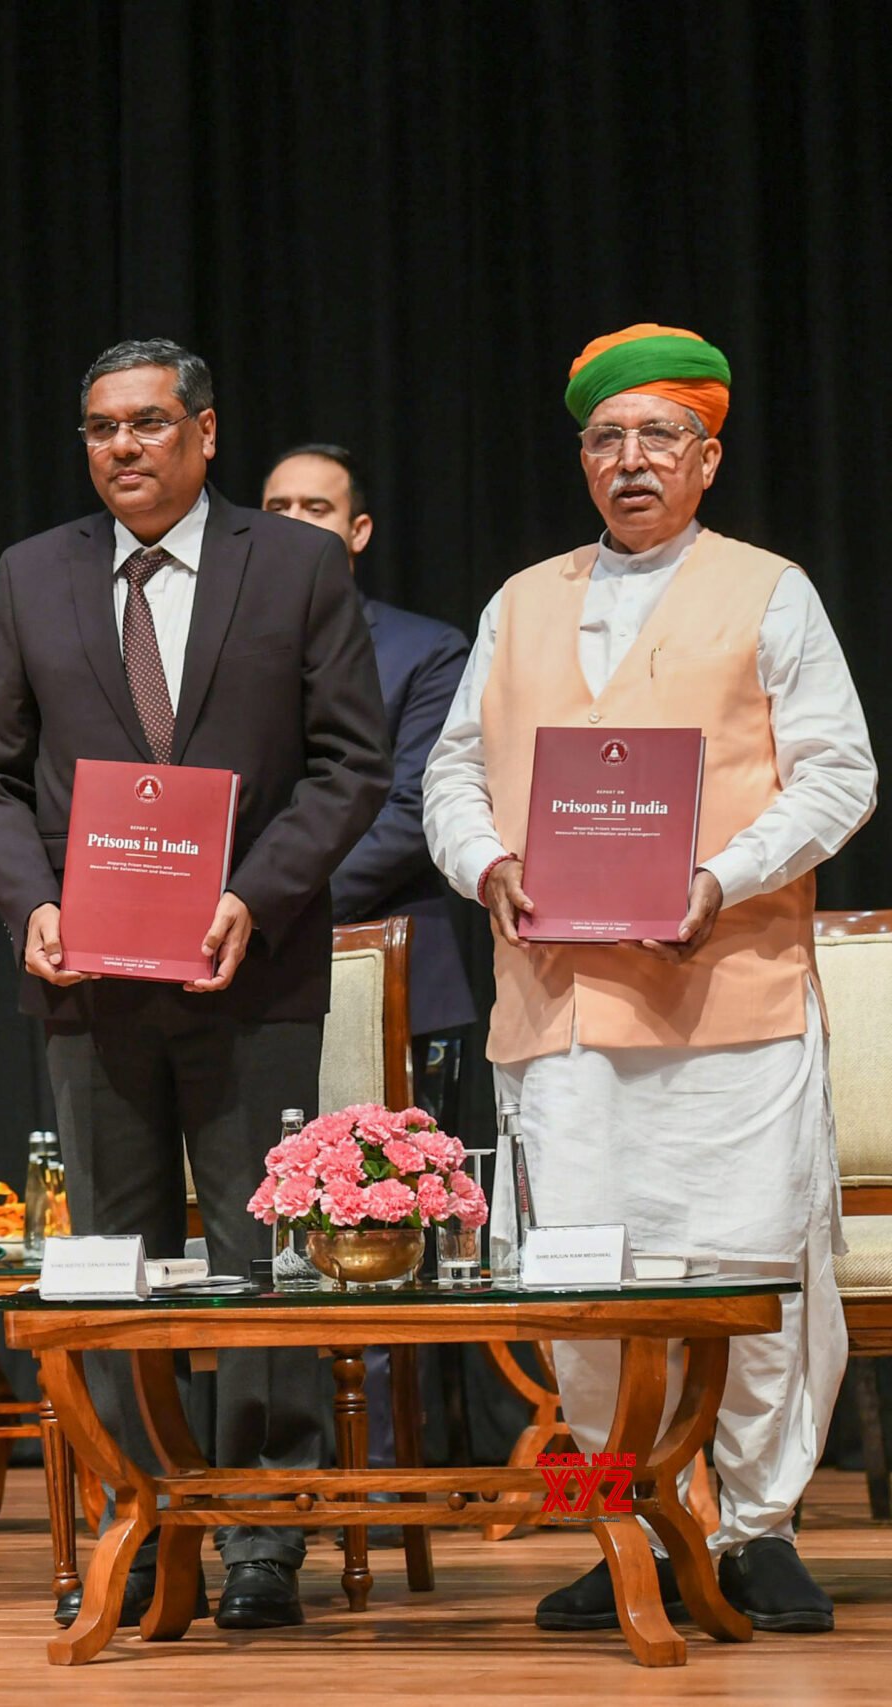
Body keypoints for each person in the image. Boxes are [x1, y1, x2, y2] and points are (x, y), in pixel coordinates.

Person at [424, 324, 875, 1635]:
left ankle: (754, 1528)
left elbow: (841, 771)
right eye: (608, 439)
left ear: (708, 458)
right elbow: (452, 767)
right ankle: (628, 1519)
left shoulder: (769, 589)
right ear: (582, 460)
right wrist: (484, 861)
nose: (632, 460)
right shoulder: (520, 601)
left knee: (750, 1272)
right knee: (583, 1284)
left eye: (659, 436)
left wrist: (719, 878)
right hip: (561, 1007)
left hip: (725, 998)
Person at [0, 339, 389, 1632]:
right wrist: (30, 903)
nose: (123, 448)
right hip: (90, 983)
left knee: (261, 1260)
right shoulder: (32, 575)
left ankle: (262, 1531)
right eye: (100, 429)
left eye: (148, 424)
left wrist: (251, 893)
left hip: (249, 971)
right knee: (113, 1263)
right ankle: (141, 1520)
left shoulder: (297, 565)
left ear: (206, 432)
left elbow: (350, 762)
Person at [260, 445, 477, 1123]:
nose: (294, 521)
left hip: (393, 970)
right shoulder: (214, 650)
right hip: (244, 972)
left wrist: (266, 901)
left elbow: (415, 811)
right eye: (277, 508)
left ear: (359, 531)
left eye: (316, 507)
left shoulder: (426, 651)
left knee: (403, 1213)